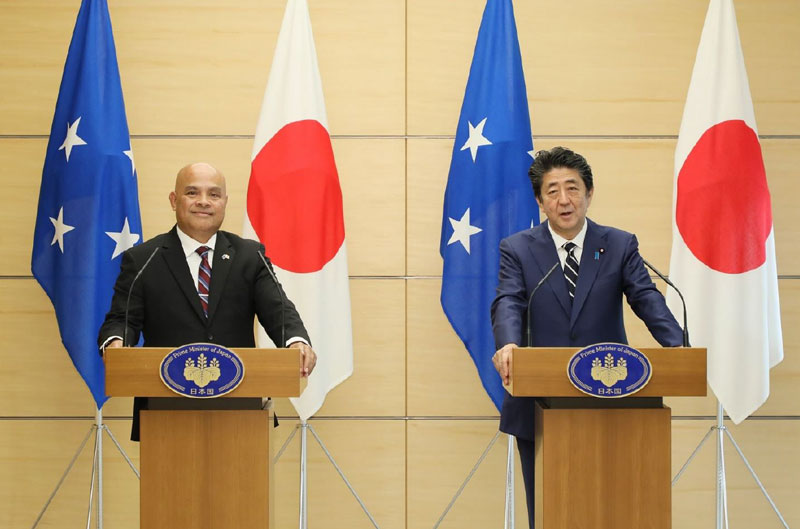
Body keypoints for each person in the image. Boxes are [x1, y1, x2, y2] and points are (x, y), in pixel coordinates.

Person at [490, 146, 682, 529]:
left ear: (589, 193)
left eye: (573, 188)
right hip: (540, 400)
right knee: (548, 508)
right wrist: (508, 344)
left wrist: (678, 347)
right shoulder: (518, 249)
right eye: (553, 191)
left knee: (620, 506)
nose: (565, 200)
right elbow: (508, 300)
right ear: (540, 201)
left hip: (616, 400)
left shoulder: (619, 244)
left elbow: (644, 297)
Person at [98, 162, 316, 440]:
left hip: (241, 410)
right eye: (192, 192)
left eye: (214, 194)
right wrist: (116, 343)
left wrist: (295, 340)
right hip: (165, 411)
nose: (204, 202)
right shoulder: (144, 259)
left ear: (225, 202)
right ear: (174, 200)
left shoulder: (249, 255)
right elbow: (121, 320)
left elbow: (279, 310)